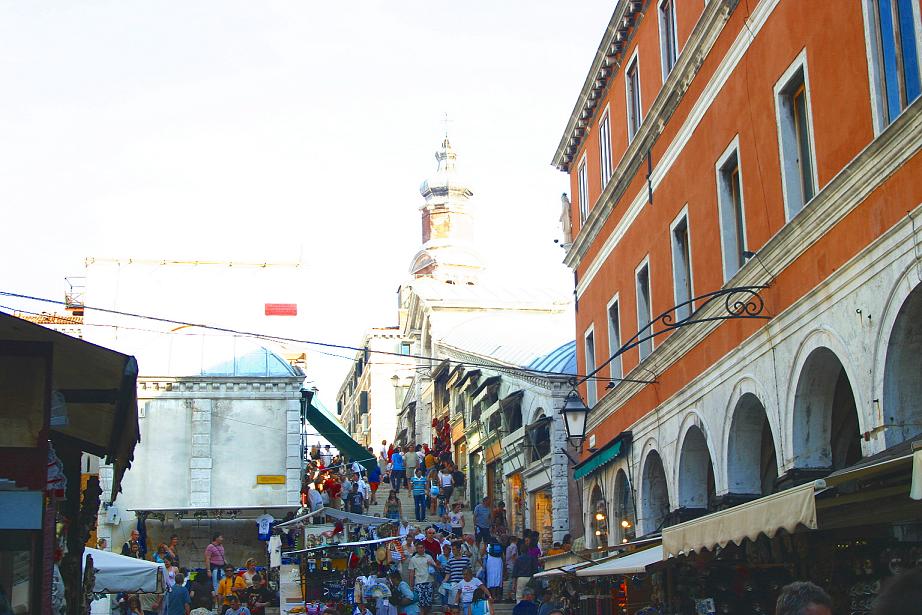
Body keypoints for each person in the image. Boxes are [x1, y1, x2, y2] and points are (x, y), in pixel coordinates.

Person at [408, 540, 440, 615]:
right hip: (419, 583)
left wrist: (432, 564)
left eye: (422, 547)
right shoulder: (413, 559)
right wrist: (411, 585)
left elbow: (437, 569)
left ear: (424, 548)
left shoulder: (429, 557)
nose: (420, 549)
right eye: (419, 548)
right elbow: (411, 573)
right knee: (421, 603)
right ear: (416, 549)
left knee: (429, 603)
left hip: (429, 582)